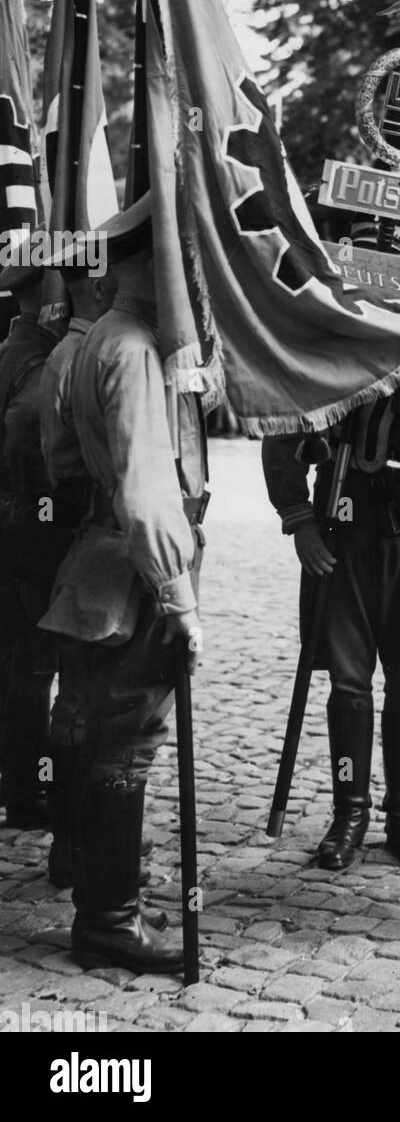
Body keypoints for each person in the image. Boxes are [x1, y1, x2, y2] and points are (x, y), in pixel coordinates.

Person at [38, 195, 206, 974]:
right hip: (133, 569)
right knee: (127, 742)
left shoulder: (88, 341)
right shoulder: (135, 347)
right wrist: (178, 597)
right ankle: (109, 918)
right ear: (151, 264)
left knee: (88, 723)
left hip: (91, 556)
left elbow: (66, 464)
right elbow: (148, 491)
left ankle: (89, 880)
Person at [261, 222, 400, 874]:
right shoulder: (326, 343)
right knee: (348, 678)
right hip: (343, 519)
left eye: (393, 267)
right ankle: (351, 808)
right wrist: (299, 518)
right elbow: (282, 424)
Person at [37, 240, 116, 885]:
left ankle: (78, 842)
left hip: (80, 529)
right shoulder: (81, 352)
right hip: (87, 533)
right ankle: (77, 845)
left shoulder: (71, 350)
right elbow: (59, 461)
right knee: (88, 701)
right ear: (93, 285)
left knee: (81, 700)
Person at [0, 260, 62, 828]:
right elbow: (27, 438)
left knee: (19, 665)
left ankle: (20, 784)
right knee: (34, 670)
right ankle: (31, 791)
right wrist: (47, 504)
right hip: (29, 529)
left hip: (10, 521)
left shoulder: (11, 346)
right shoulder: (38, 357)